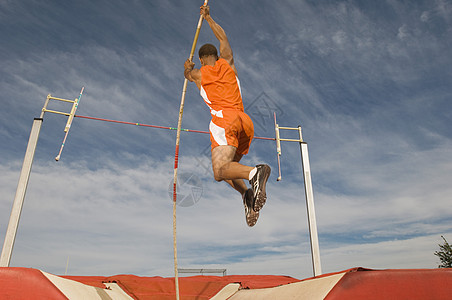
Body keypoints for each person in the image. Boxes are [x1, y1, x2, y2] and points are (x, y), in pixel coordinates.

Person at [184, 5, 271, 227]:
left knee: (220, 170)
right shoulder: (228, 62)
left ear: (202, 60)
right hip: (244, 122)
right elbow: (223, 37)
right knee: (228, 169)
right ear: (216, 55)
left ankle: (255, 172)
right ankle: (246, 195)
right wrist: (209, 18)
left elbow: (186, 74)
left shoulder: (199, 74)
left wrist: (187, 67)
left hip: (224, 122)